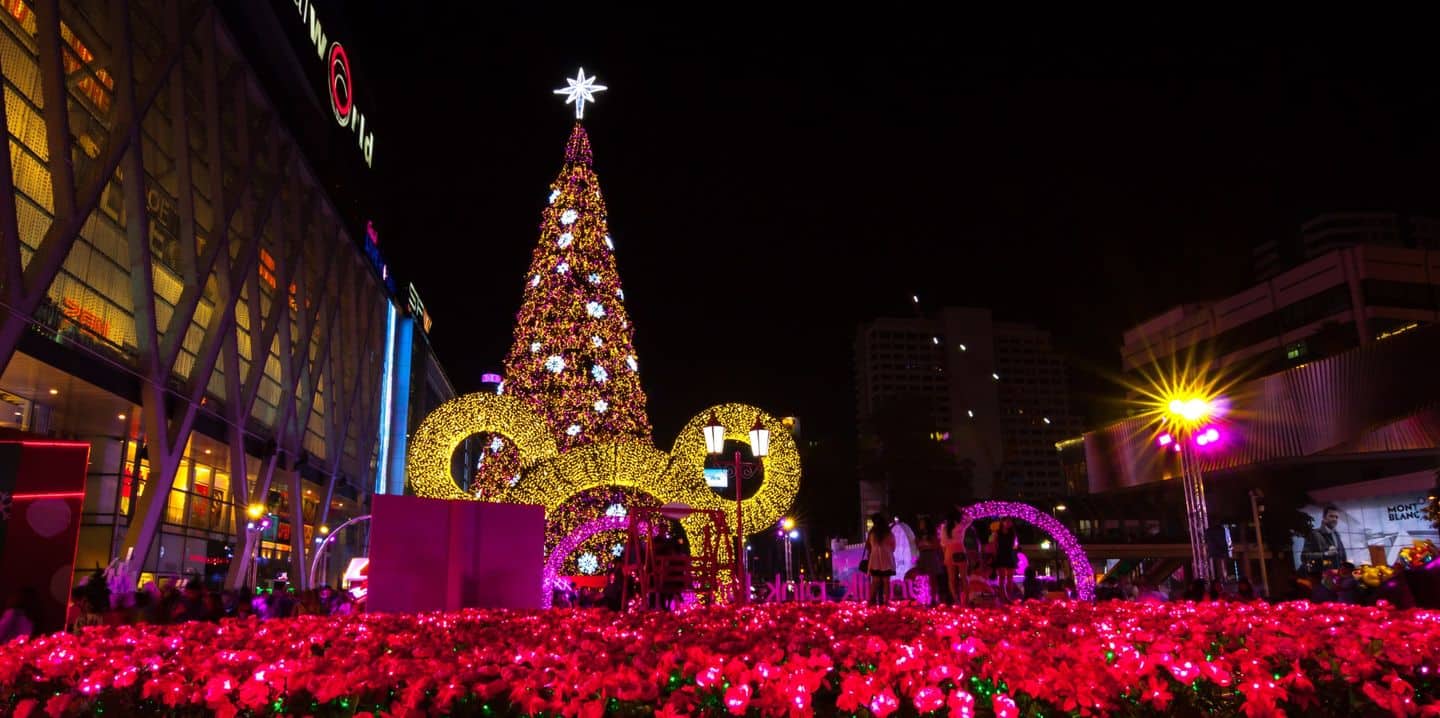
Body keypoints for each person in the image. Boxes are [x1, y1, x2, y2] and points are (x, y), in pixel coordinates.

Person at [1301, 505, 1347, 574]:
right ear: (1324, 518)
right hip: (1322, 578)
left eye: (1336, 517)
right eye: (1331, 516)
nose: (1335, 519)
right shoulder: (1314, 534)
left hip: (1338, 577)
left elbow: (1343, 556)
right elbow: (1304, 556)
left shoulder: (1336, 534)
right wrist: (1325, 554)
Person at [866, 513, 897, 606]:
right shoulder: (889, 533)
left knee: (875, 581)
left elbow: (869, 546)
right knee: (886, 581)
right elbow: (893, 546)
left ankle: (871, 601)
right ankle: (886, 602)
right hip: (887, 559)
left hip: (875, 560)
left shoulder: (872, 534)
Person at [912, 516, 945, 606]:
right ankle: (924, 598)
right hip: (923, 555)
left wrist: (926, 545)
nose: (921, 525)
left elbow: (936, 545)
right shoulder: (919, 535)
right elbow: (918, 545)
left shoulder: (932, 534)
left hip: (931, 555)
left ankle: (933, 599)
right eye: (920, 524)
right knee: (923, 578)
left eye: (922, 523)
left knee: (932, 579)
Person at [940, 509, 969, 607]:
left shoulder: (945, 528)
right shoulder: (961, 525)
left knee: (951, 579)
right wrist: (963, 510)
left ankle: (956, 600)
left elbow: (943, 544)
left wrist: (945, 556)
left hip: (949, 552)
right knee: (964, 577)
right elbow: (970, 519)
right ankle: (966, 600)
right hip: (960, 550)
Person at [991, 518, 1018, 602]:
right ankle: (1002, 596)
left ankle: (1009, 596)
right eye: (1006, 521)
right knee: (1002, 578)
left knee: (1010, 578)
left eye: (1010, 522)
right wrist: (995, 556)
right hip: (1001, 555)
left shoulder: (1013, 534)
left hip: (1010, 555)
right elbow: (995, 545)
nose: (1008, 523)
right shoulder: (997, 533)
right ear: (1002, 523)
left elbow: (1015, 545)